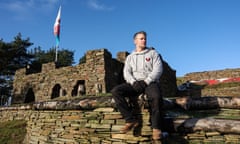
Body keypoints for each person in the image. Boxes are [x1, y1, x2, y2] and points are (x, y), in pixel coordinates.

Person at [111, 31, 164, 140]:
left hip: (150, 82)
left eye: (145, 38)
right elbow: (126, 72)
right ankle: (130, 120)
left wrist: (146, 81)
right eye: (141, 38)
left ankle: (156, 128)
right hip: (134, 83)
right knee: (116, 91)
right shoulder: (130, 57)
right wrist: (133, 82)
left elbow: (158, 70)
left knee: (156, 97)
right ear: (135, 41)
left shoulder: (153, 53)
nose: (144, 40)